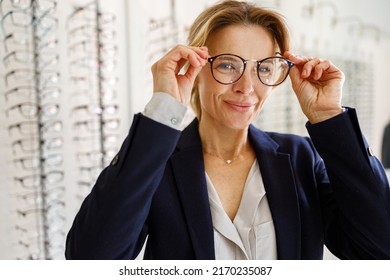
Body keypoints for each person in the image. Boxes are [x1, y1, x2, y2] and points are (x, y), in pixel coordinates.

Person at [65, 0, 390, 260]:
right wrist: (163, 109)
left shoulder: (300, 158)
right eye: (227, 65)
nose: (246, 87)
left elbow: (379, 250)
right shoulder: (157, 162)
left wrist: (329, 116)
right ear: (195, 67)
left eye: (263, 68)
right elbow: (92, 258)